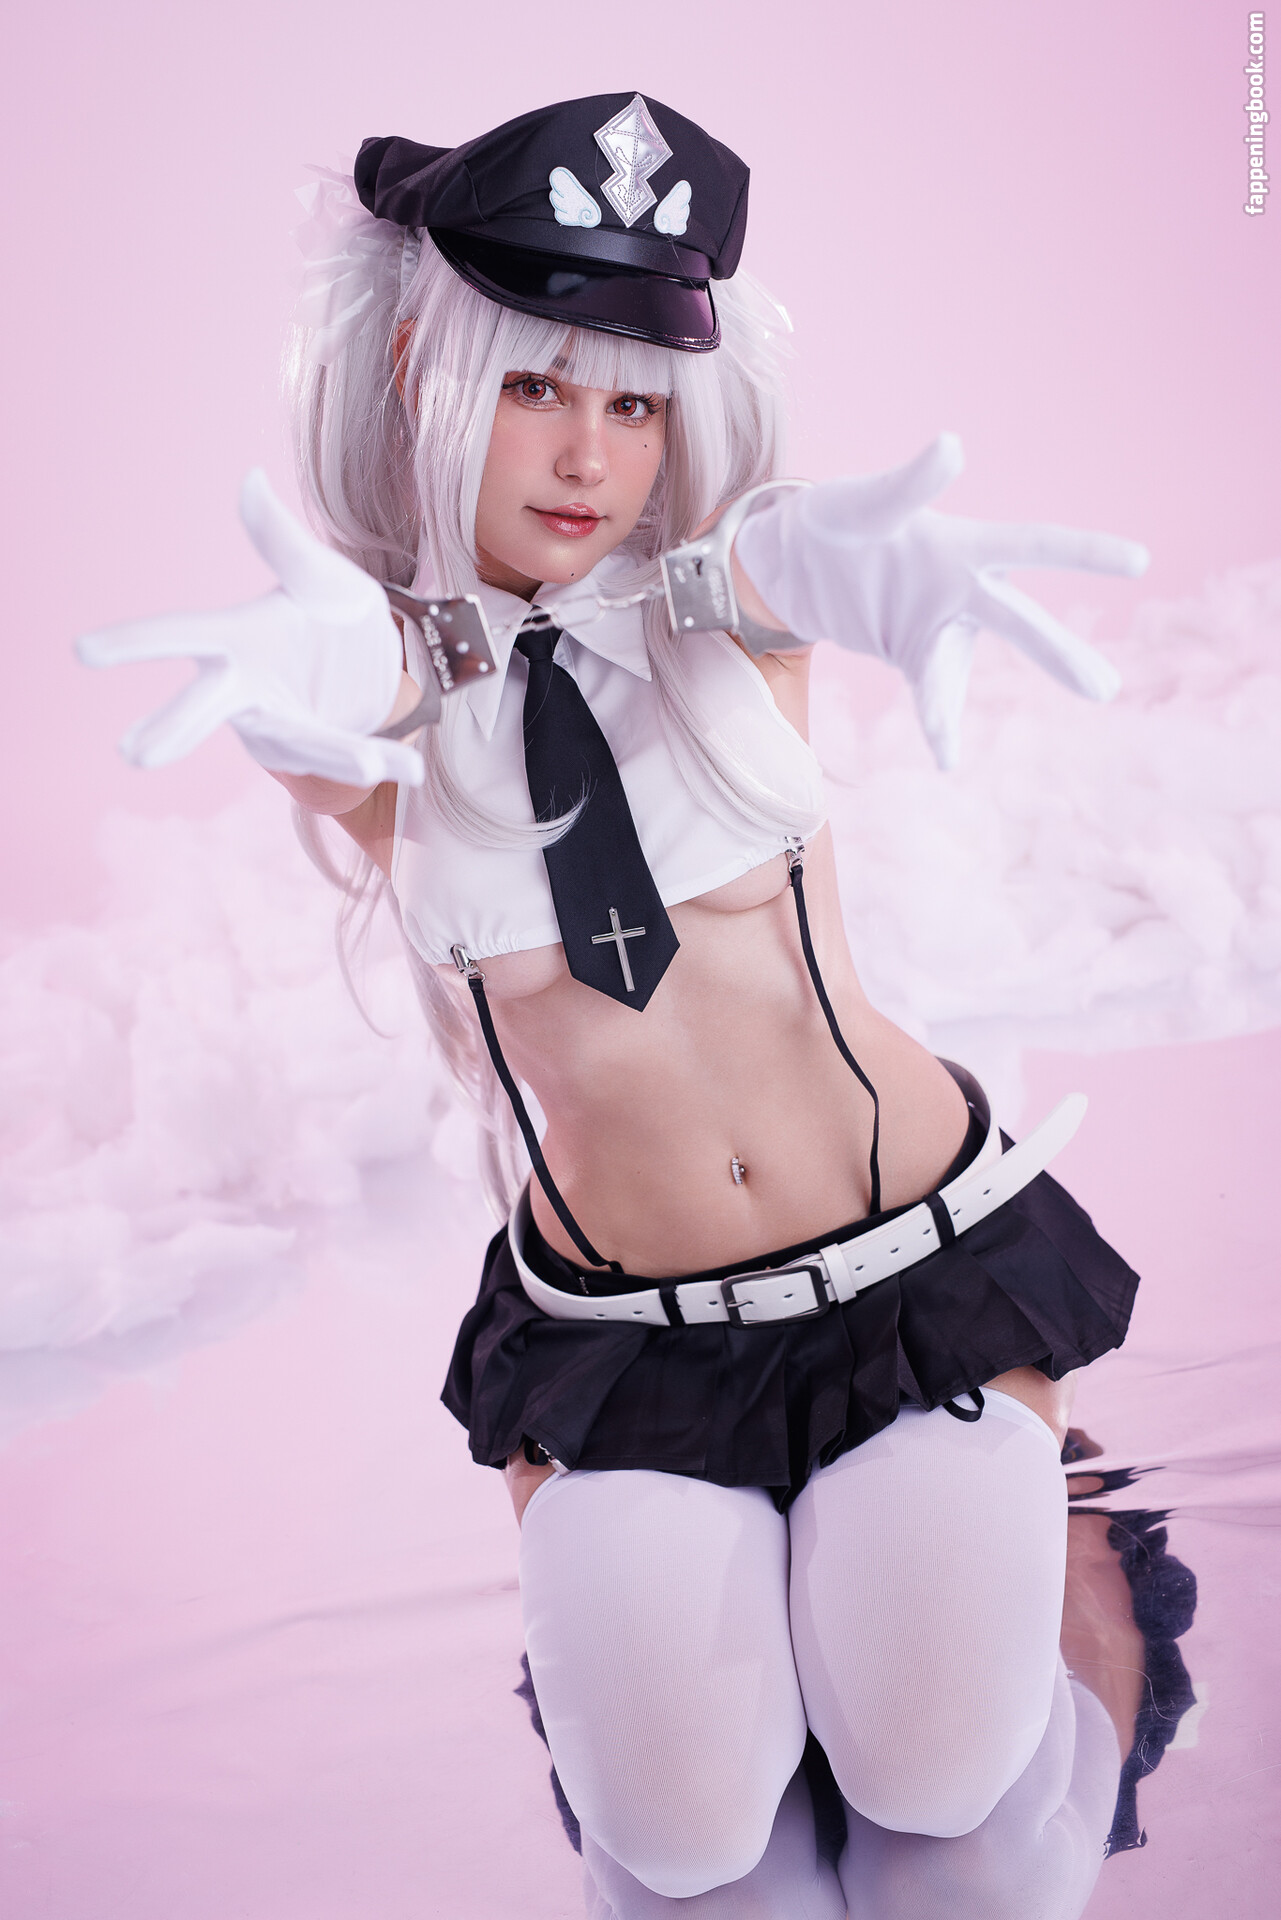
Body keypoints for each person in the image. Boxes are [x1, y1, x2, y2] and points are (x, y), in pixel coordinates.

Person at [80, 93, 1146, 1917]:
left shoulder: (721, 596)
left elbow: (785, 560)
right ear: (423, 378)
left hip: (906, 1286)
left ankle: (1069, 1587)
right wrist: (315, 661)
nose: (590, 456)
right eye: (532, 388)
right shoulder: (382, 707)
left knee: (946, 1805)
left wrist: (866, 574)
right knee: (684, 1854)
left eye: (636, 404)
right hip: (627, 1338)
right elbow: (357, 696)